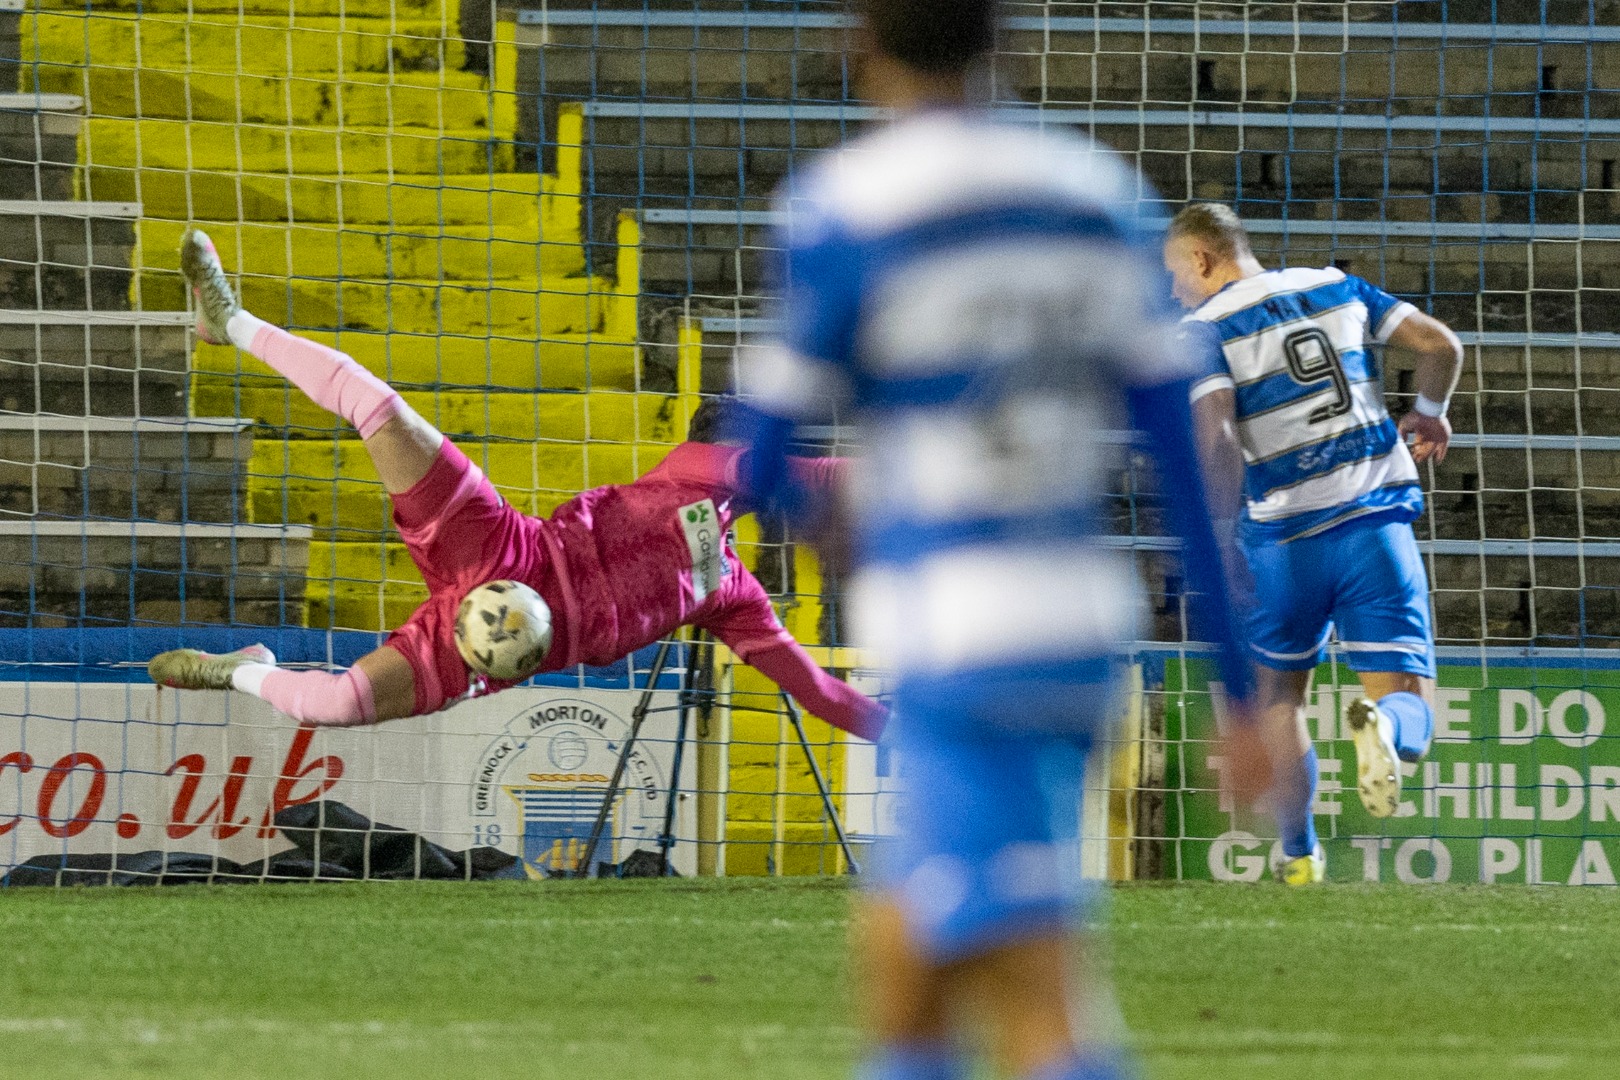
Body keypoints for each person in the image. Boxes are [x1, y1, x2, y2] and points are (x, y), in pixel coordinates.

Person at [737, 3, 1261, 1078]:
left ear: (858, 45)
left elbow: (757, 459)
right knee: (908, 974)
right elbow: (1181, 470)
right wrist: (1241, 691)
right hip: (1077, 631)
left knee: (1036, 999)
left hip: (952, 632)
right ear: (1005, 44)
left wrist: (836, 526)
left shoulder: (844, 207)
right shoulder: (1097, 198)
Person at [148, 230, 885, 744]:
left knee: (341, 703)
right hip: (505, 547)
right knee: (380, 409)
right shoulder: (694, 471)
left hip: (505, 641)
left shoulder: (730, 592)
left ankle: (242, 674)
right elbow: (797, 475)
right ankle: (231, 322)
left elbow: (819, 690)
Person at [1164, 202, 1465, 885]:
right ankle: (1386, 730)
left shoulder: (1202, 330)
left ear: (1202, 259)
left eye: (1176, 274)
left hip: (1281, 543)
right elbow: (1441, 345)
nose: (1176, 291)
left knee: (1278, 699)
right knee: (1409, 702)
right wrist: (1429, 413)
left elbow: (1216, 437)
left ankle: (1299, 855)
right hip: (1373, 527)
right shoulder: (1336, 286)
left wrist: (1215, 536)